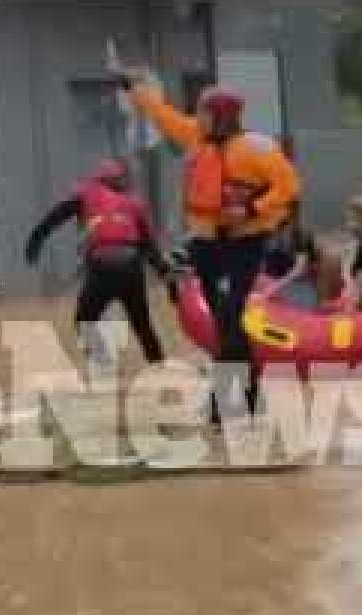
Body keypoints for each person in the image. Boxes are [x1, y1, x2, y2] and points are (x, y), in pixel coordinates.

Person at [121, 69, 300, 418]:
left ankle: (227, 402)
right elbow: (162, 114)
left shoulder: (257, 148)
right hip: (207, 247)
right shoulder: (195, 138)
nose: (196, 117)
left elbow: (289, 187)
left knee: (231, 314)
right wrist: (134, 91)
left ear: (219, 116)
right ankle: (245, 399)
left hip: (244, 243)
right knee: (224, 321)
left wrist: (252, 207)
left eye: (203, 111)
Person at [24, 158, 172, 370]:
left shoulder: (85, 194)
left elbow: (55, 217)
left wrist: (35, 241)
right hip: (131, 269)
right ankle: (159, 366)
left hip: (103, 269)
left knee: (83, 320)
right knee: (142, 324)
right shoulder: (135, 204)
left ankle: (102, 361)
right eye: (123, 178)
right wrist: (168, 280)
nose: (126, 182)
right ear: (114, 180)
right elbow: (151, 248)